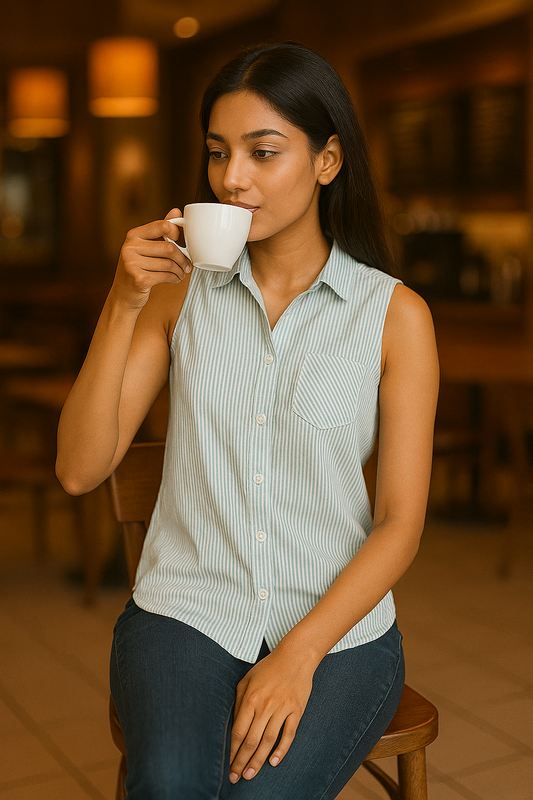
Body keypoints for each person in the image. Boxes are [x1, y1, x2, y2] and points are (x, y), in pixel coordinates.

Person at [56, 41, 439, 800]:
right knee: (171, 784)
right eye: (217, 152)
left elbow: (399, 523)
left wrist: (298, 654)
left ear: (327, 160)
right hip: (185, 612)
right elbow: (78, 468)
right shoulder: (175, 296)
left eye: (263, 152)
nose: (231, 178)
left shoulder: (394, 317)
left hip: (339, 634)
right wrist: (124, 301)